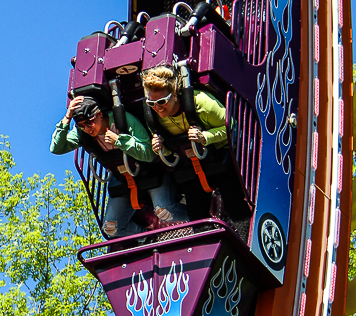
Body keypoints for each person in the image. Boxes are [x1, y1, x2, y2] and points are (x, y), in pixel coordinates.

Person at [50, 95, 188, 238]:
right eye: (82, 125)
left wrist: (121, 142)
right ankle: (148, 238)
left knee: (164, 211)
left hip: (151, 172)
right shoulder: (83, 133)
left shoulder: (122, 119)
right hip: (124, 180)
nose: (87, 128)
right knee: (110, 228)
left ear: (99, 115)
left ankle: (199, 219)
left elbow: (148, 153)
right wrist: (67, 117)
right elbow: (56, 148)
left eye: (90, 122)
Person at [141, 65, 232, 219]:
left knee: (235, 206)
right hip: (190, 165)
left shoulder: (201, 103)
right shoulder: (154, 119)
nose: (157, 107)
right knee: (196, 215)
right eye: (152, 103)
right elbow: (170, 151)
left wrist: (205, 137)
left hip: (221, 155)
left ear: (175, 95)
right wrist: (162, 148)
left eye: (162, 101)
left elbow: (232, 127)